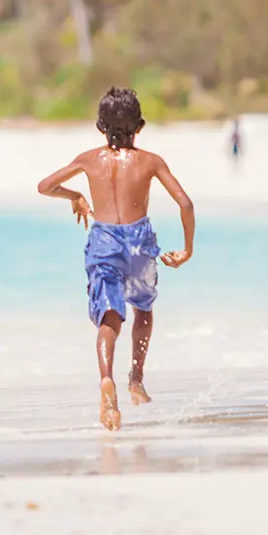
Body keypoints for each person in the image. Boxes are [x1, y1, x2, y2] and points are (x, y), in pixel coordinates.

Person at [37, 87, 196, 431]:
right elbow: (185, 203)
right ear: (139, 125)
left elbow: (45, 186)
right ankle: (136, 378)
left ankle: (106, 379)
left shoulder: (89, 159)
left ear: (99, 126)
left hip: (105, 240)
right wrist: (187, 249)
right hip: (139, 242)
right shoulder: (151, 161)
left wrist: (75, 195)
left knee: (109, 317)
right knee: (143, 308)